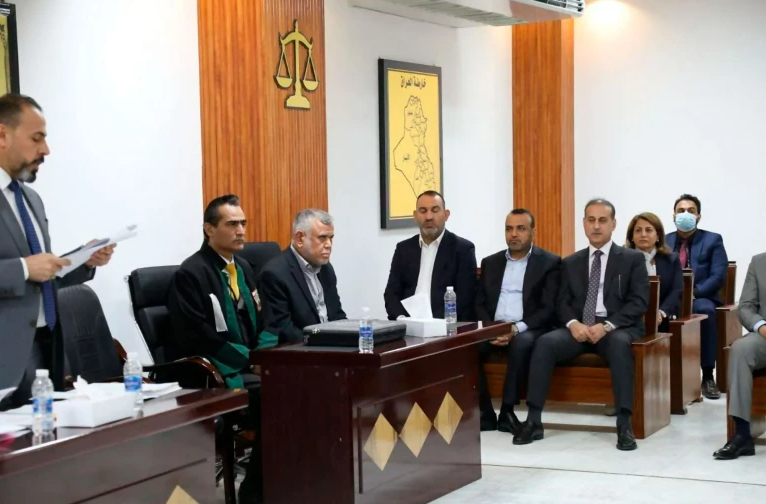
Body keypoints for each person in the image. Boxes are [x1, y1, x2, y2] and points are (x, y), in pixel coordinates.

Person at [0, 94, 115, 409]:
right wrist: (24, 268)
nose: (46, 150)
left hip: (47, 347)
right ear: (3, 135)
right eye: (36, 138)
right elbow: (29, 269)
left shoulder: (31, 199)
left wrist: (83, 260)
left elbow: (42, 274)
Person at [514, 199, 649, 451]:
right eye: (591, 220)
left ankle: (624, 423)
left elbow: (638, 302)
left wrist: (607, 326)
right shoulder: (571, 262)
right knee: (545, 343)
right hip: (579, 328)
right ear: (584, 223)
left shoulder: (632, 259)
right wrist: (573, 323)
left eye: (602, 220)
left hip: (614, 329)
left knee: (620, 346)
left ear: (613, 224)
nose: (596, 226)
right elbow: (561, 301)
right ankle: (533, 420)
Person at [167, 194, 276, 504]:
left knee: (298, 386)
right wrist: (250, 361)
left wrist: (264, 356)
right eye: (231, 224)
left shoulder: (244, 268)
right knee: (278, 397)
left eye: (243, 223)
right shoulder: (191, 274)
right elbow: (197, 336)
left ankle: (280, 486)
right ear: (209, 229)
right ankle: (254, 494)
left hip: (253, 364)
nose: (241, 230)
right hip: (216, 371)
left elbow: (266, 320)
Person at [475, 209, 560, 433]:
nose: (514, 234)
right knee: (466, 348)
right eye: (509, 229)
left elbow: (549, 308)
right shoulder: (491, 262)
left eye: (521, 229)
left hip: (527, 326)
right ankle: (485, 412)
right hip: (494, 326)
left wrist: (515, 329)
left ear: (533, 232)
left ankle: (507, 411)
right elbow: (479, 302)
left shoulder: (549, 263)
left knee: (522, 344)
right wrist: (490, 329)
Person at [666, 194, 728, 399]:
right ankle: (660, 374)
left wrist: (692, 293)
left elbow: (718, 276)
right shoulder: (664, 240)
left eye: (691, 211)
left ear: (698, 216)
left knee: (705, 311)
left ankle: (708, 376)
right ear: (673, 215)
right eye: (681, 211)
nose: (685, 214)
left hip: (700, 296)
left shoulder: (713, 240)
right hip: (670, 298)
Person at [384, 190, 477, 321]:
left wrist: (431, 324)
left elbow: (464, 299)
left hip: (444, 325)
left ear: (446, 215)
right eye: (423, 211)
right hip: (407, 324)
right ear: (415, 216)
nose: (428, 217)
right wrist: (402, 318)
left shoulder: (462, 249)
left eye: (435, 210)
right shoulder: (403, 249)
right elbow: (391, 294)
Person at [259, 209, 346, 342]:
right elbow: (284, 330)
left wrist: (350, 337)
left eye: (331, 238)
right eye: (322, 237)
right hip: (301, 349)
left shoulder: (326, 269)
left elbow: (337, 315)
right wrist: (322, 342)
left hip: (330, 346)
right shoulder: (274, 274)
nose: (329, 245)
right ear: (300, 238)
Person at [713, 252, 766, 460]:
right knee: (740, 349)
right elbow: (746, 306)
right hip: (764, 336)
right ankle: (742, 434)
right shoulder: (759, 262)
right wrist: (761, 327)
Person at [625, 212, 683, 331]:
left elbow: (676, 290)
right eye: (638, 230)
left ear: (658, 236)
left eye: (648, 230)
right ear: (632, 237)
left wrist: (661, 312)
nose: (643, 234)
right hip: (630, 320)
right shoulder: (622, 259)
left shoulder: (671, 259)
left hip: (663, 320)